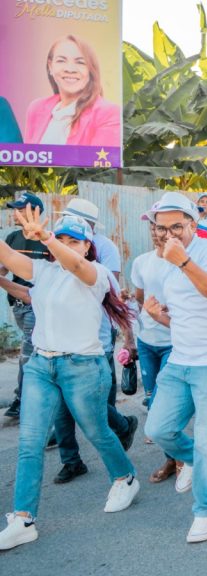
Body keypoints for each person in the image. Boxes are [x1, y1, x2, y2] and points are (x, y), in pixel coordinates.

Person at [0, 212, 139, 551]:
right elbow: (8, 256)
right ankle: (23, 520)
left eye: (73, 241)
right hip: (41, 365)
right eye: (60, 239)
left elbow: (76, 265)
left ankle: (125, 478)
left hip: (83, 366)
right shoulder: (43, 271)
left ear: (87, 246)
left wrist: (47, 238)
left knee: (97, 431)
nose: (65, 246)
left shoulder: (96, 273)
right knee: (30, 442)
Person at [142, 191, 207, 544]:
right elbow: (186, 317)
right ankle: (191, 461)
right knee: (158, 428)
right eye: (161, 228)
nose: (168, 234)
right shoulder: (164, 261)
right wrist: (159, 316)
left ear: (192, 224)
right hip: (180, 360)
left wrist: (183, 261)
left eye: (176, 226)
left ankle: (204, 510)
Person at [51, 198, 137, 484]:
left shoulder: (104, 253)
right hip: (57, 346)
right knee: (63, 407)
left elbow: (111, 294)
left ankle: (120, 429)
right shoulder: (54, 256)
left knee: (95, 402)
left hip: (95, 340)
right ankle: (71, 460)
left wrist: (127, 338)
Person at [130, 205, 179, 483]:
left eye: (159, 225)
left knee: (164, 402)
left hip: (174, 341)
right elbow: (139, 297)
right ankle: (172, 458)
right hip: (147, 341)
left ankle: (181, 455)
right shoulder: (141, 262)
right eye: (152, 226)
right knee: (152, 400)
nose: (155, 231)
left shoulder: (181, 260)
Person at [1, 192, 49, 420]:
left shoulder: (47, 240)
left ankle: (23, 400)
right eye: (16, 210)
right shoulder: (12, 238)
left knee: (27, 353)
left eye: (21, 210)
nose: (16, 214)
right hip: (17, 304)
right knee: (36, 352)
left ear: (36, 212)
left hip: (36, 305)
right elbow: (4, 268)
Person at [24, 36, 120, 147]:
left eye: (80, 62)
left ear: (90, 70)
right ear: (50, 66)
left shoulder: (108, 113)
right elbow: (29, 155)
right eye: (61, 61)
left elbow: (103, 157)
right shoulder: (36, 108)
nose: (70, 69)